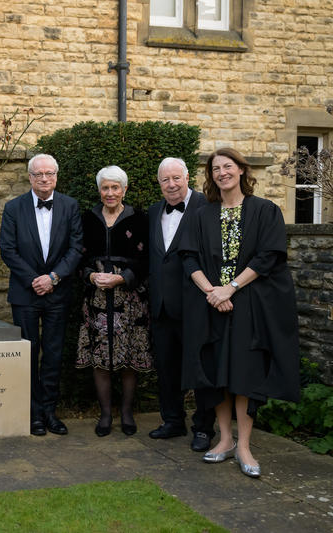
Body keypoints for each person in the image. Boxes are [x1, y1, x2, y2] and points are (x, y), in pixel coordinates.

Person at [180, 148, 300, 478]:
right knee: (216, 371)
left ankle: (245, 446)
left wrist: (230, 288)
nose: (222, 172)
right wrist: (212, 292)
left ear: (241, 170)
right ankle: (225, 439)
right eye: (215, 168)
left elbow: (267, 257)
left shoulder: (264, 210)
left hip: (248, 304)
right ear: (211, 175)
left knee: (244, 374)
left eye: (228, 166)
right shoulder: (201, 214)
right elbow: (188, 258)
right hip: (211, 305)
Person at [0, 154, 83, 436]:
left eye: (49, 173)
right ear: (30, 177)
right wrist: (35, 280)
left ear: (56, 176)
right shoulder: (13, 207)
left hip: (57, 293)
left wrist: (53, 278)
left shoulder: (70, 206)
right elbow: (7, 250)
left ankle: (50, 412)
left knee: (54, 354)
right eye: (38, 174)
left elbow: (75, 249)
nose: (44, 178)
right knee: (28, 353)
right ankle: (33, 414)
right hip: (25, 293)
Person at [76, 165, 151, 437]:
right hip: (96, 299)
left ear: (124, 190)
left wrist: (122, 278)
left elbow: (147, 260)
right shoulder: (87, 218)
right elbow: (77, 256)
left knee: (129, 358)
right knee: (100, 358)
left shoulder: (139, 219)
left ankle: (127, 413)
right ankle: (105, 414)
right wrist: (90, 275)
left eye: (115, 187)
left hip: (130, 299)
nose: (110, 193)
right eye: (105, 188)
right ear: (99, 191)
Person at [147, 158, 216, 452]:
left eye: (176, 178)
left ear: (188, 177)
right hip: (161, 306)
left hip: (196, 305)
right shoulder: (153, 211)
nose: (171, 184)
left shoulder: (207, 207)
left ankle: (204, 427)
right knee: (166, 368)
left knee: (200, 369)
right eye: (165, 180)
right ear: (159, 182)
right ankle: (173, 420)